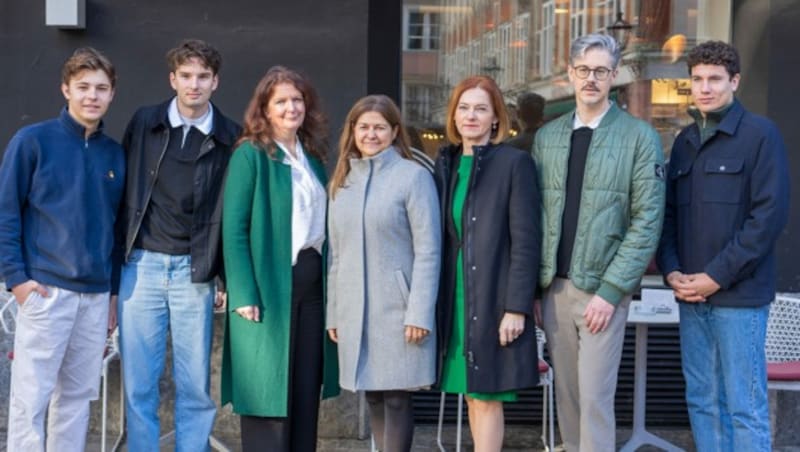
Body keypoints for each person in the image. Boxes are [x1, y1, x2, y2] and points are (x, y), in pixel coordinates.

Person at [532, 33, 666, 452]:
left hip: (602, 291)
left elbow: (647, 221)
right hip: (554, 289)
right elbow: (535, 217)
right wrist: (535, 289)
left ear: (615, 75)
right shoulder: (547, 137)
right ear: (570, 73)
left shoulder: (639, 137)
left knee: (594, 399)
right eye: (584, 70)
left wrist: (610, 292)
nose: (592, 79)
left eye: (602, 71)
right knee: (568, 399)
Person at [656, 41, 790, 451]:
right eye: (696, 79)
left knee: (744, 406)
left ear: (734, 81)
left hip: (740, 298)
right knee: (702, 401)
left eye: (714, 79)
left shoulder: (760, 136)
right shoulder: (684, 141)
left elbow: (767, 218)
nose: (705, 88)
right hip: (692, 297)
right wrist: (673, 269)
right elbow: (670, 217)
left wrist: (716, 276)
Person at [114, 39, 241, 451]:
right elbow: (123, 197)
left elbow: (231, 212)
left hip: (195, 271)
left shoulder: (229, 137)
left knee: (195, 387)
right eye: (186, 76)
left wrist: (222, 273)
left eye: (203, 76)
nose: (194, 84)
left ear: (215, 81)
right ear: (173, 79)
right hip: (142, 266)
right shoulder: (144, 123)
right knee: (139, 385)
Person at [0, 47, 124, 451]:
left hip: (94, 297)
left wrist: (112, 294)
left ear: (112, 94)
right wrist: (16, 280)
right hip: (45, 293)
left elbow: (118, 228)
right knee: (30, 400)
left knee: (76, 399)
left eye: (101, 88)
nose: (92, 95)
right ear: (65, 89)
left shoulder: (114, 154)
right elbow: (6, 213)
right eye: (83, 87)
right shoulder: (32, 141)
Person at [221, 66, 338, 452]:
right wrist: (243, 293)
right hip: (268, 285)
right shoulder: (250, 155)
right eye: (282, 101)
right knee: (268, 391)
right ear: (265, 110)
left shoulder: (312, 158)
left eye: (297, 99)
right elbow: (234, 229)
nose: (292, 108)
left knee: (304, 391)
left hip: (311, 284)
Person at [326, 95, 441, 452]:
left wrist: (419, 311)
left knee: (396, 397)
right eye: (364, 127)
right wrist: (334, 313)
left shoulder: (414, 177)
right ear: (353, 131)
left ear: (394, 132)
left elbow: (429, 250)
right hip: (354, 310)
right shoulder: (342, 183)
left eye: (379, 127)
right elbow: (336, 254)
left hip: (399, 310)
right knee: (373, 395)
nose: (371, 134)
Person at [434, 75, 541, 452]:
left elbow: (527, 241)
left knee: (486, 395)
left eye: (481, 109)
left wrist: (516, 308)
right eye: (464, 108)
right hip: (455, 297)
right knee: (469, 392)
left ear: (496, 118)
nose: (471, 116)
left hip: (492, 296)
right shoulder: (445, 163)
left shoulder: (515, 164)